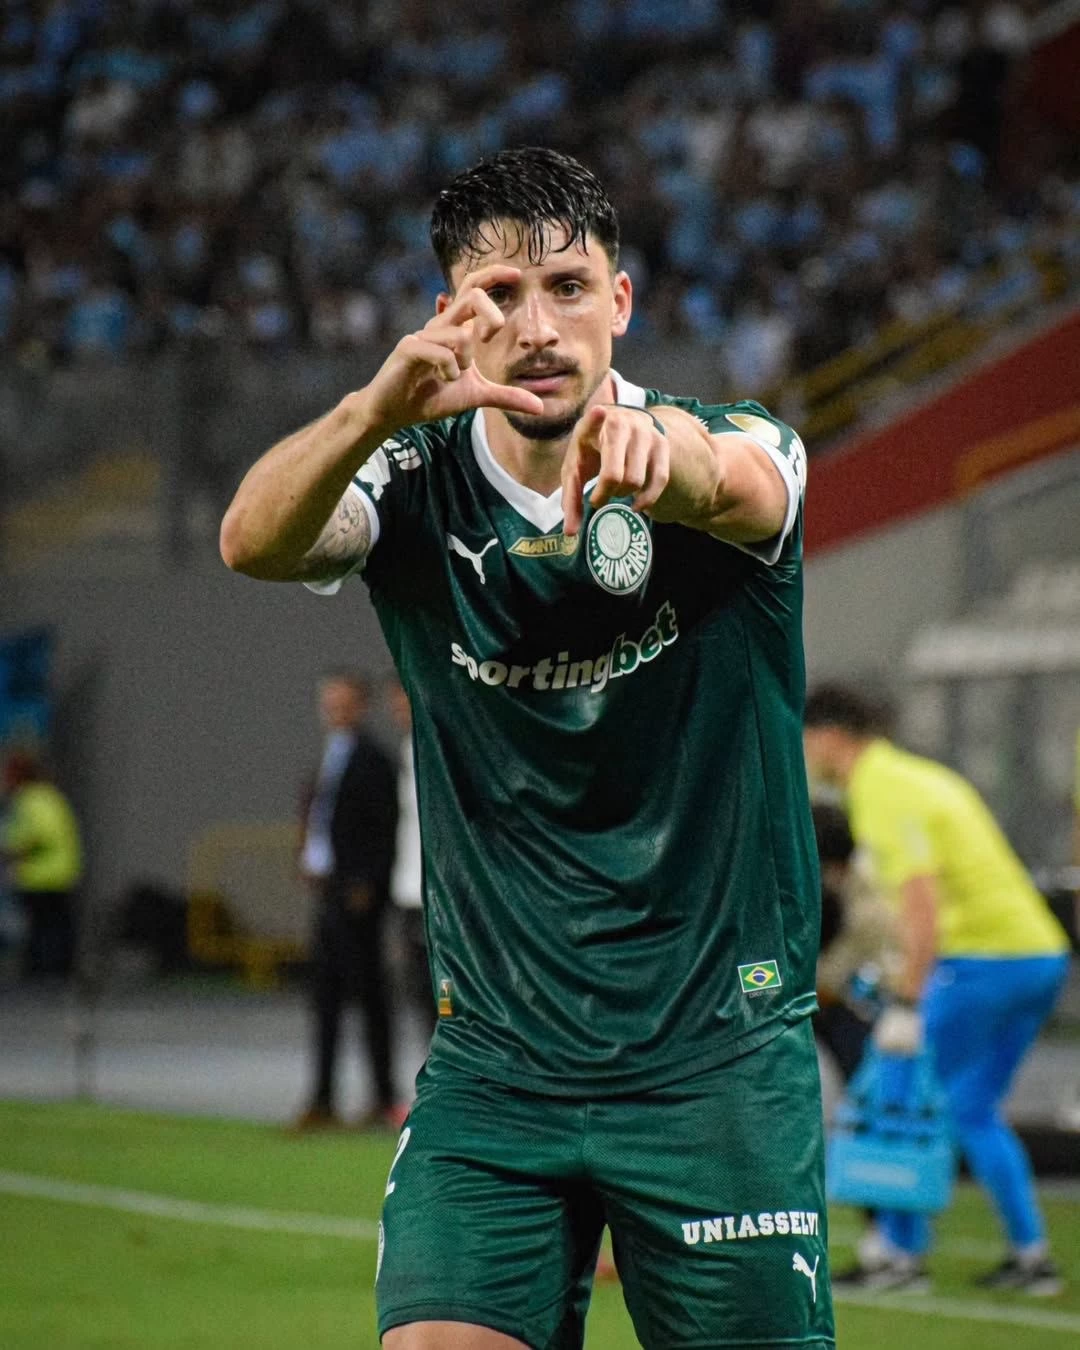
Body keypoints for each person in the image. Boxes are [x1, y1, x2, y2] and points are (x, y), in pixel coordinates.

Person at [221, 146, 833, 1350]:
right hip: (498, 1066)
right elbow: (254, 540)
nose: (538, 326)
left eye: (568, 286)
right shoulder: (408, 479)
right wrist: (369, 411)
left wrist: (670, 463)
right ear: (450, 316)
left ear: (622, 300)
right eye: (499, 295)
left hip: (714, 1062)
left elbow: (741, 486)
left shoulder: (737, 439)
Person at [803, 684, 1071, 1296]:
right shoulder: (919, 776)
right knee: (971, 1108)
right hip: (1038, 954)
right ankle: (1031, 1256)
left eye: (806, 737)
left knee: (890, 1091)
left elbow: (920, 905)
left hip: (982, 961)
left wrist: (905, 1003)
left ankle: (897, 1257)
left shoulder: (881, 790)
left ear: (831, 736)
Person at [293, 671, 403, 1132]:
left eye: (343, 702)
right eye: (329, 702)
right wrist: (308, 858)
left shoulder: (373, 759)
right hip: (329, 890)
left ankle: (383, 1097)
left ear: (362, 706)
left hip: (357, 898)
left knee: (369, 995)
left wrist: (368, 884)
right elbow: (322, 819)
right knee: (326, 998)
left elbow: (386, 825)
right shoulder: (329, 756)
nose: (334, 710)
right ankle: (322, 1098)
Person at [1, 749, 82, 980]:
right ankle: (54, 972)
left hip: (43, 875)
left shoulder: (32, 799)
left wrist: (12, 850)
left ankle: (46, 976)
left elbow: (39, 833)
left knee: (44, 928)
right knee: (55, 924)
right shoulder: (48, 795)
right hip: (57, 872)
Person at [385, 677, 436, 1041]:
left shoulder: (437, 749)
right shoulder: (406, 749)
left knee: (441, 991)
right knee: (418, 988)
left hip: (434, 893)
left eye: (405, 697)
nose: (400, 707)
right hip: (409, 889)